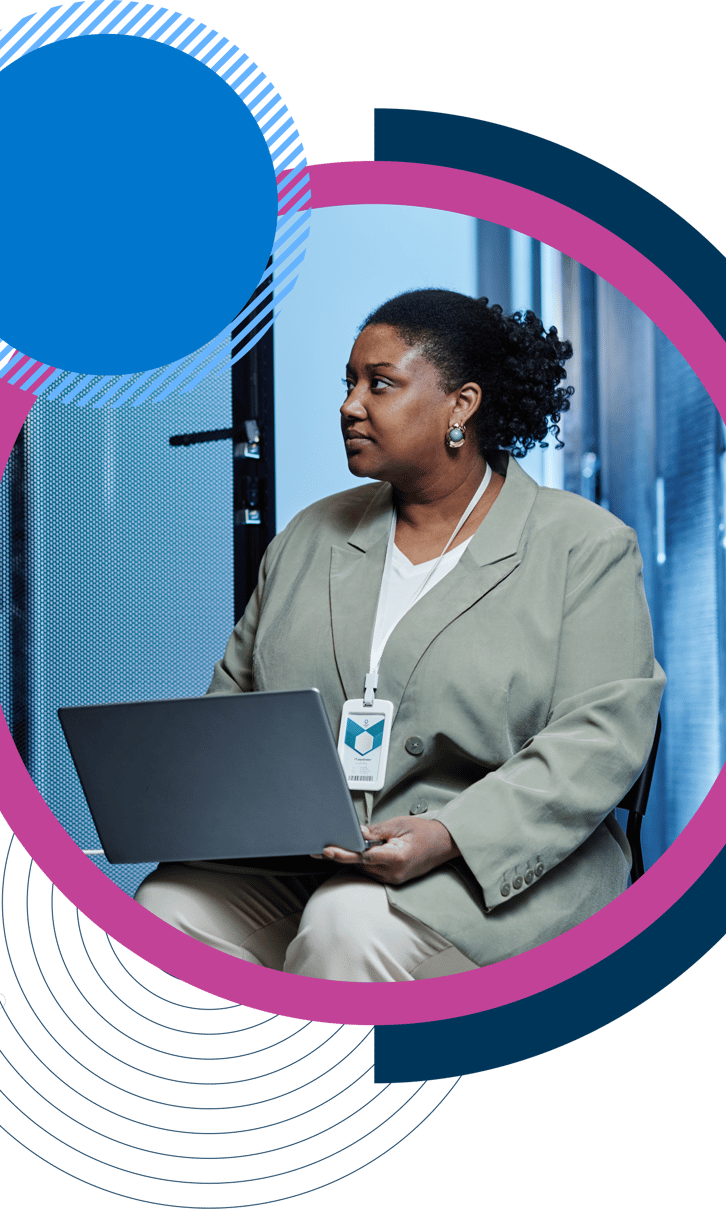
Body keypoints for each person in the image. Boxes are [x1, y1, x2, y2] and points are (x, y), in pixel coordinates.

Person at [135, 288, 665, 981]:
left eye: (379, 384)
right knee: (164, 903)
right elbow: (234, 708)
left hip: (496, 863)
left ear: (461, 406)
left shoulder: (583, 547)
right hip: (314, 856)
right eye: (349, 383)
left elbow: (600, 739)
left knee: (346, 926)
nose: (350, 405)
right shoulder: (308, 537)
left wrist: (449, 834)